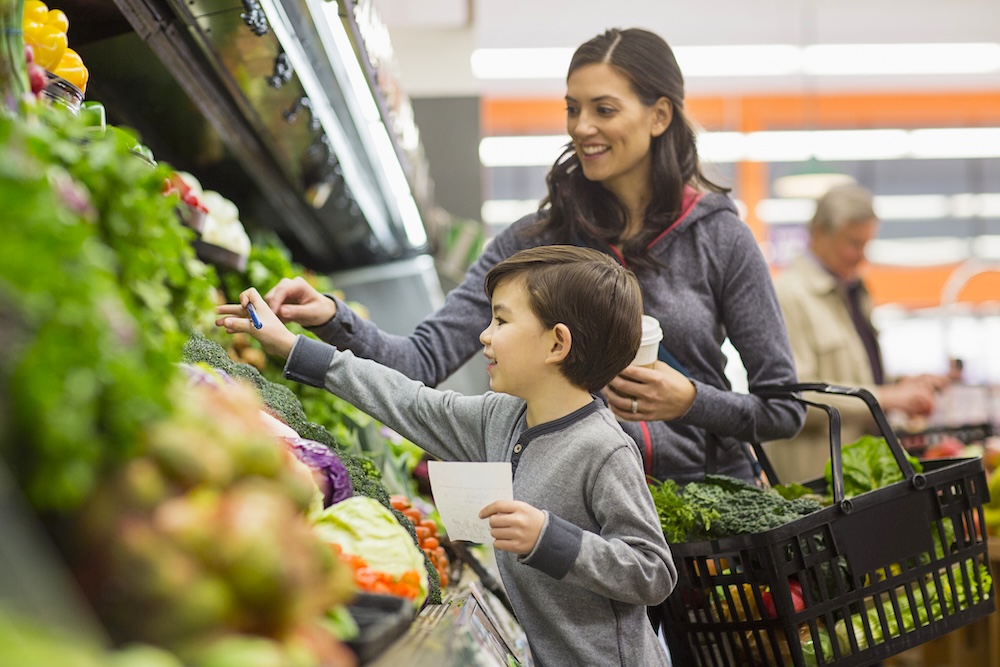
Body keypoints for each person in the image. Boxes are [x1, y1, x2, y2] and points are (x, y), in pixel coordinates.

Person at [262, 27, 805, 484]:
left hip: (707, 520)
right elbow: (422, 362)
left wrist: (690, 400)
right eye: (573, 108)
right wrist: (336, 319)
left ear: (659, 115)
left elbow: (784, 410)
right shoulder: (533, 243)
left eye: (604, 109)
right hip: (576, 515)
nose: (581, 126)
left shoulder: (720, 239)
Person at [217, 245, 678, 667]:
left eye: (501, 320)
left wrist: (550, 538)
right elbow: (407, 400)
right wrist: (291, 346)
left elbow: (654, 572)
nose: (484, 335)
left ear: (557, 344)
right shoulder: (501, 418)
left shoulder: (604, 448)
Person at [766, 184, 949, 483]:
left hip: (858, 477)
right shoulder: (789, 296)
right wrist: (886, 397)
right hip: (817, 486)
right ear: (819, 232)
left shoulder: (853, 291)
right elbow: (796, 398)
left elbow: (856, 377)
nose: (861, 257)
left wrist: (903, 385)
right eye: (853, 243)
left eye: (866, 244)